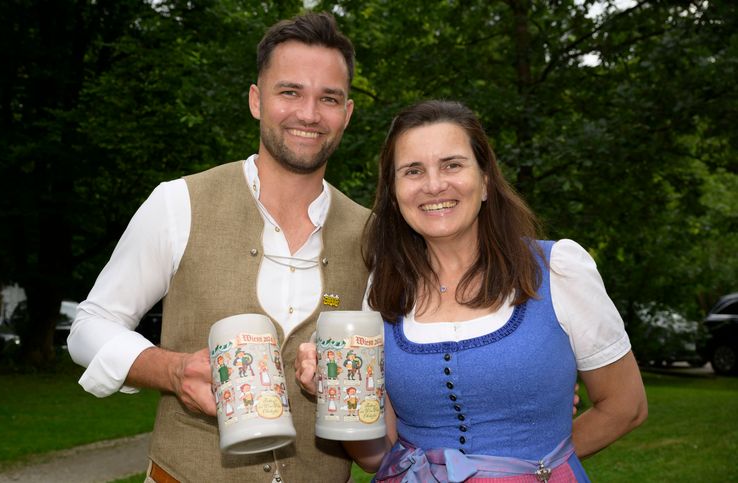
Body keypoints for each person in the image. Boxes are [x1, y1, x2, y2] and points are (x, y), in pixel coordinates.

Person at [68, 12, 369, 483]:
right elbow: (90, 325)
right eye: (289, 92)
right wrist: (171, 371)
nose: (309, 113)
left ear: (346, 114)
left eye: (328, 98)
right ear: (256, 100)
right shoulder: (178, 202)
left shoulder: (374, 237)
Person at [295, 100, 648, 481]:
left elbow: (625, 406)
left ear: (485, 181)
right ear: (395, 196)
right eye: (413, 171)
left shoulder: (557, 268)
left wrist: (538, 467)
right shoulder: (383, 292)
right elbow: (376, 456)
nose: (433, 185)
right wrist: (336, 397)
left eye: (452, 165)